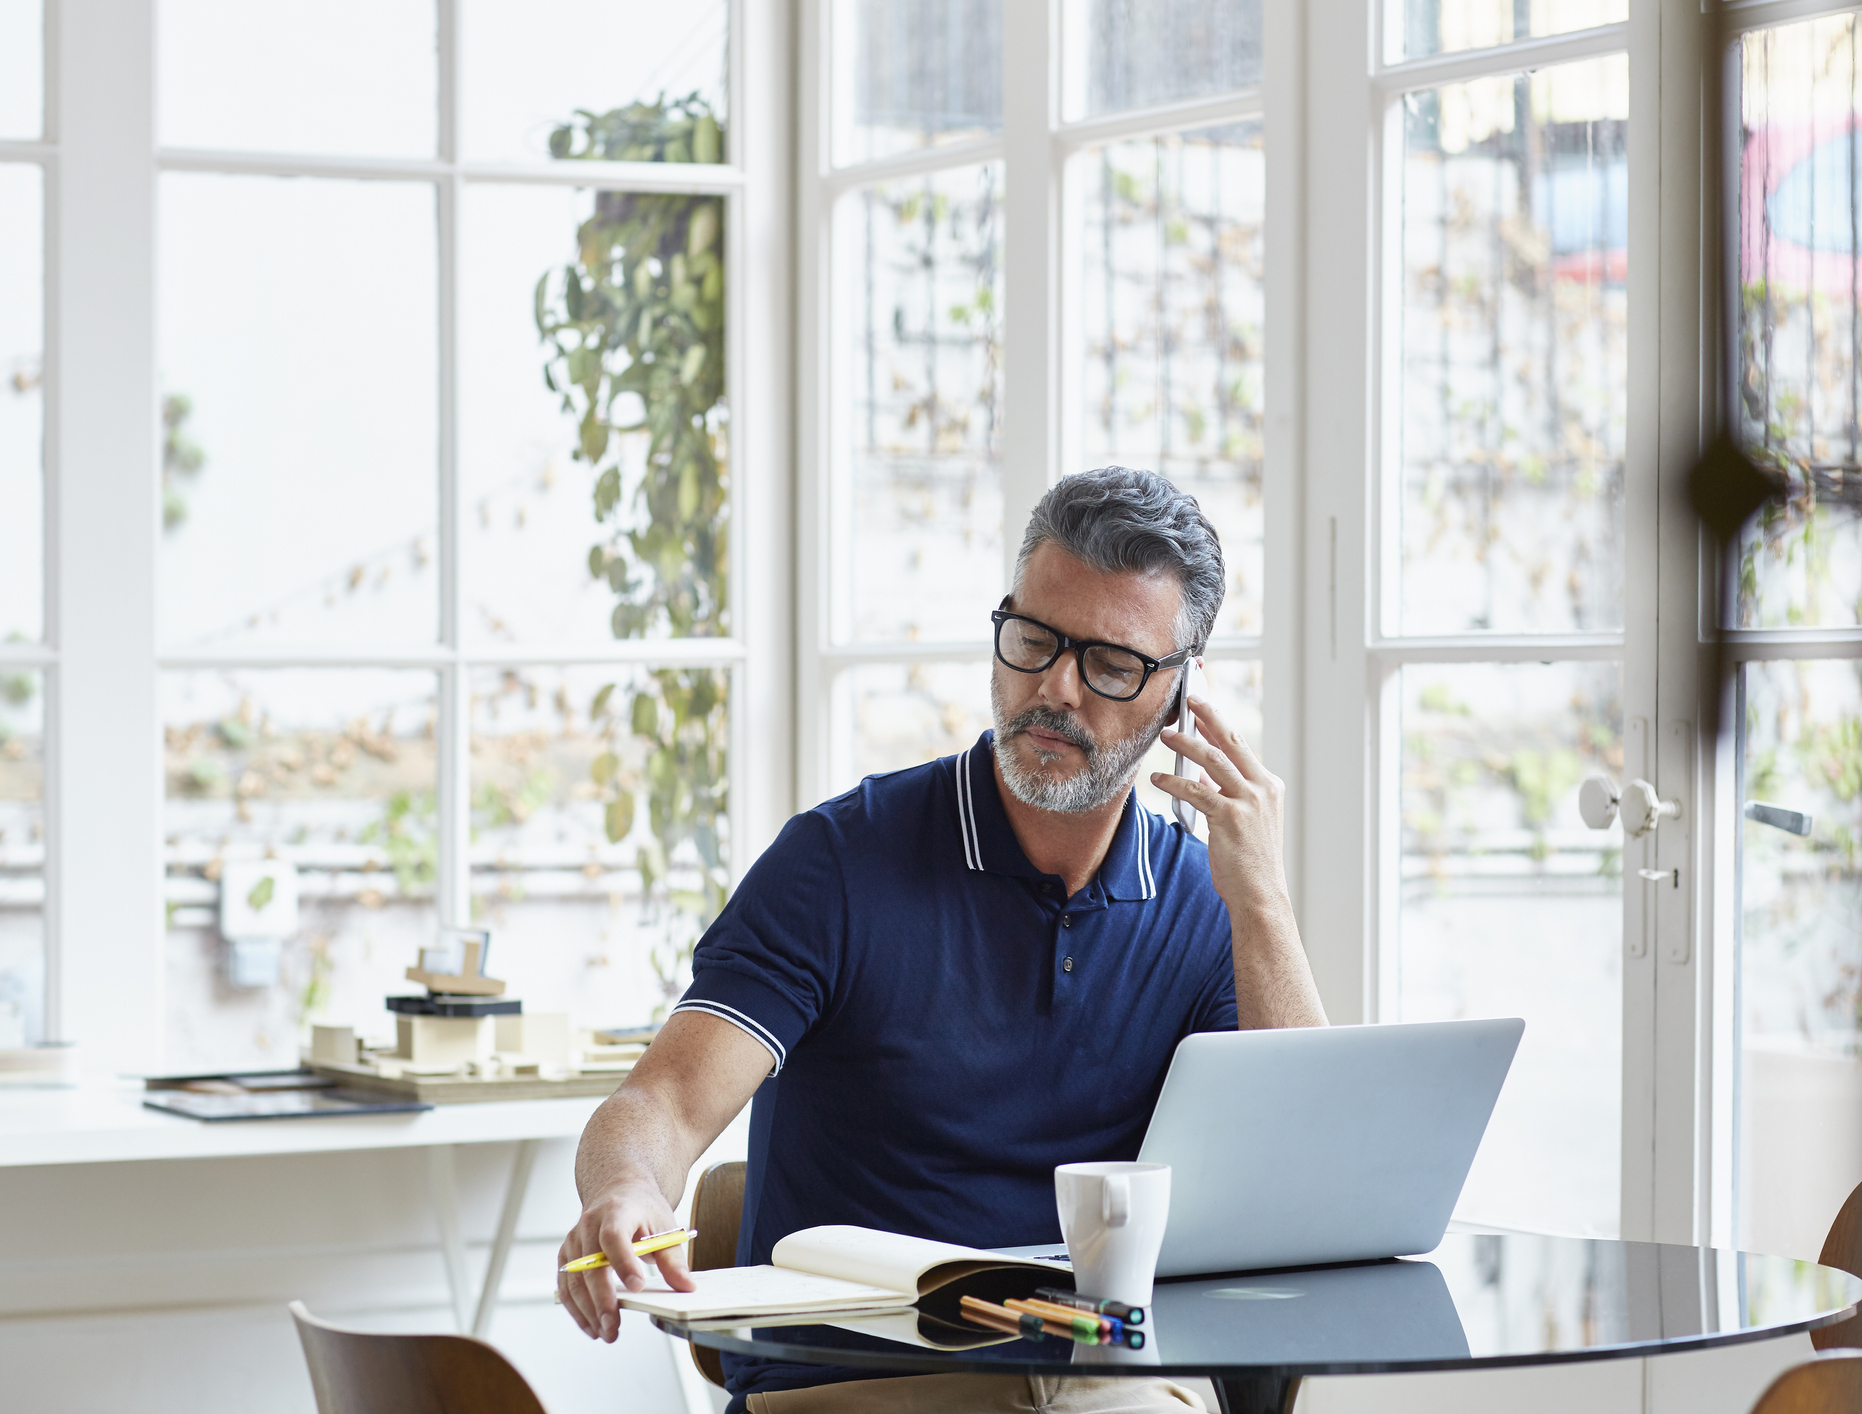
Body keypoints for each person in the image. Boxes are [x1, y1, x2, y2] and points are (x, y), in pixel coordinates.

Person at [559, 467, 1326, 1412]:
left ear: (1181, 694)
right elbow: (665, 1101)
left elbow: (1303, 1189)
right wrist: (627, 1189)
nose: (1054, 688)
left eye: (1111, 664)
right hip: (865, 1384)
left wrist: (1263, 903)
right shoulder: (839, 864)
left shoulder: (1209, 902)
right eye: (1033, 639)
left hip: (1102, 1378)